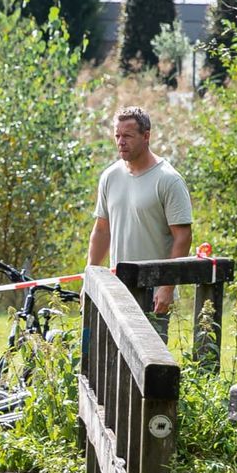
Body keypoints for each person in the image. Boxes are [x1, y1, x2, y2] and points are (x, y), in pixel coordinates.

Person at [87, 106, 193, 336]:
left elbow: (183, 237)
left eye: (127, 136)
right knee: (112, 362)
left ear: (146, 136)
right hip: (117, 288)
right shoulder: (110, 177)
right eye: (117, 136)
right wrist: (91, 278)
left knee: (149, 363)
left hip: (153, 291)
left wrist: (167, 286)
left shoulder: (168, 180)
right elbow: (102, 230)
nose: (120, 142)